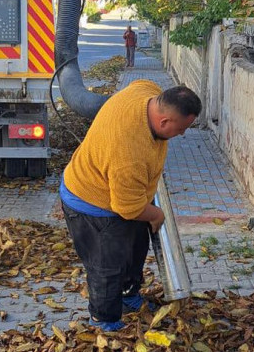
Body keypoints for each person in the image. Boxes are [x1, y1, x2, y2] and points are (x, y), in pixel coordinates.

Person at [60, 81, 201, 331]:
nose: (182, 135)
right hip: (91, 204)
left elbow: (130, 205)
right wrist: (156, 214)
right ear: (164, 122)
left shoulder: (145, 91)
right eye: (181, 129)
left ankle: (128, 297)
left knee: (135, 247)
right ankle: (104, 320)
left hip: (121, 195)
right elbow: (128, 208)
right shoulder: (129, 153)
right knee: (107, 266)